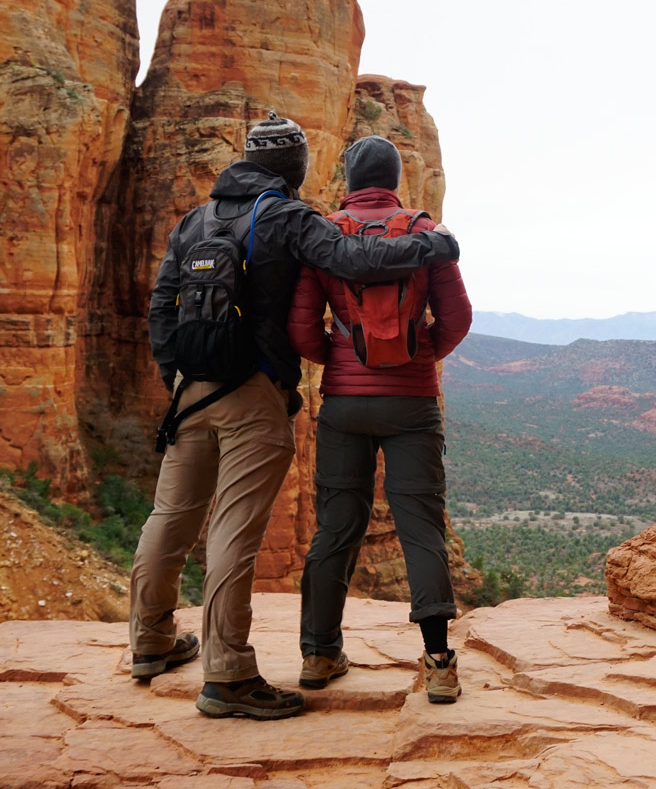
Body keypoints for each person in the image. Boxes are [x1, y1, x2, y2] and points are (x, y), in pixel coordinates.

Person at [129, 113, 461, 721]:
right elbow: (358, 260)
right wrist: (434, 246)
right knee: (232, 530)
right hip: (255, 391)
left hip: (191, 391)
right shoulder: (289, 217)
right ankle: (227, 676)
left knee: (170, 516)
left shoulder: (194, 221)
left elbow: (162, 302)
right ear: (296, 168)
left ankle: (152, 642)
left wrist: (171, 374)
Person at [287, 135, 472, 704]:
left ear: (349, 177)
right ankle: (438, 663)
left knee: (336, 528)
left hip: (344, 403)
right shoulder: (424, 234)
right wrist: (417, 356)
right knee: (421, 525)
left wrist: (341, 360)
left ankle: (319, 655)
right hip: (413, 405)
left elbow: (300, 329)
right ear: (394, 179)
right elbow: (458, 318)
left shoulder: (326, 235)